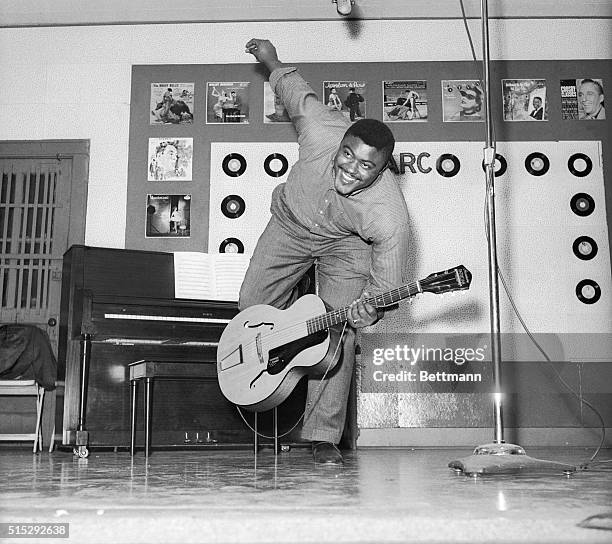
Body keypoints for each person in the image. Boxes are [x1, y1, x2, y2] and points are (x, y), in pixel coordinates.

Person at [240, 38, 410, 465]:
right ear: (339, 145)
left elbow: (384, 288)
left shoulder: (388, 215)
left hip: (347, 247)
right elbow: (294, 89)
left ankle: (321, 436)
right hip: (291, 223)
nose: (351, 169)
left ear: (383, 169)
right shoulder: (318, 128)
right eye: (347, 156)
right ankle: (272, 365)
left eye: (366, 166)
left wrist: (366, 310)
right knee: (249, 308)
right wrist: (270, 57)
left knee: (338, 334)